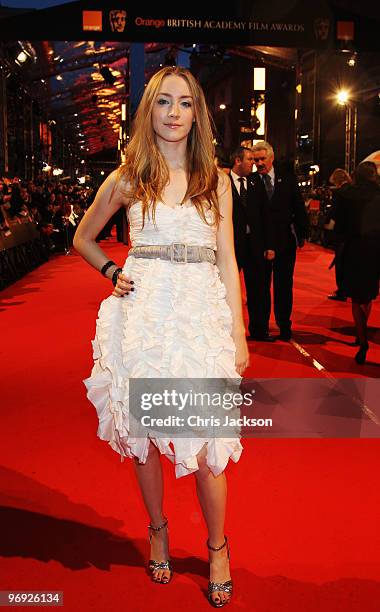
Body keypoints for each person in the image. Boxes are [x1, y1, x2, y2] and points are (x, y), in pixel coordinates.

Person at [73, 66, 249, 607]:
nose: (174, 113)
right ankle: (158, 530)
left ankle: (218, 546)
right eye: (163, 102)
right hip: (144, 313)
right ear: (148, 111)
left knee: (208, 440)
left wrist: (239, 333)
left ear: (199, 113)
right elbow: (83, 236)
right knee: (146, 435)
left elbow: (226, 257)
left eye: (186, 103)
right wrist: (109, 271)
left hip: (199, 314)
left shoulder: (216, 180)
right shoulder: (129, 176)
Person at [250, 141, 309, 341]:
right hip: (260, 244)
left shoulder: (288, 179)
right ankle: (261, 327)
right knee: (261, 287)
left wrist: (302, 234)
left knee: (284, 287)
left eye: (262, 159)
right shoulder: (251, 182)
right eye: (255, 159)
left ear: (271, 158)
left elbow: (299, 207)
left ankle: (285, 326)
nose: (258, 163)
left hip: (285, 243)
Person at [334, 161, 380, 364]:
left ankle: (362, 339)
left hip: (353, 249)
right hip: (375, 248)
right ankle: (361, 335)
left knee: (355, 297)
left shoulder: (345, 194)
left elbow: (338, 224)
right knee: (368, 294)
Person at [229, 146, 275, 341]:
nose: (254, 164)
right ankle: (226, 331)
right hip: (231, 247)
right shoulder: (222, 183)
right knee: (227, 290)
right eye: (250, 160)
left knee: (259, 290)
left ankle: (259, 330)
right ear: (238, 161)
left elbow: (267, 216)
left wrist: (269, 245)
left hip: (256, 246)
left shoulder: (257, 182)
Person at [326, 168, 352, 301]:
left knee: (340, 262)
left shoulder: (339, 193)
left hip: (341, 232)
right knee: (350, 262)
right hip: (353, 232)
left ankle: (341, 291)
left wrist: (328, 225)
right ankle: (350, 288)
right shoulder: (354, 190)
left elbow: (335, 213)